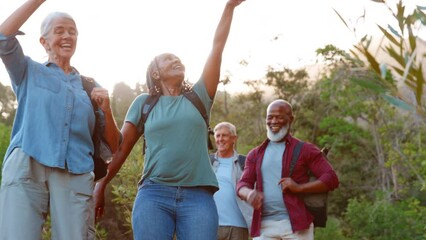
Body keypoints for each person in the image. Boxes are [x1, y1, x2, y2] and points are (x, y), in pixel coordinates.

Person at [93, 1, 246, 239]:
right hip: (154, 195)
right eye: (168, 59)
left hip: (198, 197)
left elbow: (217, 47)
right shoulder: (143, 103)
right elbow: (121, 148)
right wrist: (102, 183)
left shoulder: (199, 97)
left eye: (178, 59)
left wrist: (229, 7)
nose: (176, 61)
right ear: (155, 73)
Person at [0, 1, 121, 240]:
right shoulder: (28, 70)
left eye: (72, 31)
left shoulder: (90, 86)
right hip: (28, 163)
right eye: (59, 31)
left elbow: (115, 146)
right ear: (43, 42)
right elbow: (3, 37)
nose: (67, 36)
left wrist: (106, 110)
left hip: (75, 171)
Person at [237, 99, 339, 240]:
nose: (274, 121)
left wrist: (299, 188)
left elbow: (331, 178)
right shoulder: (255, 154)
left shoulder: (305, 150)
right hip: (264, 227)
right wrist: (248, 194)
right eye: (270, 117)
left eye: (279, 117)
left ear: (290, 119)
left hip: (297, 226)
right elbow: (242, 185)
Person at [209, 122, 253, 240]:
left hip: (238, 227)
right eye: (217, 136)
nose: (220, 139)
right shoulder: (208, 162)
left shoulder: (244, 162)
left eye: (225, 135)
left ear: (234, 138)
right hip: (211, 225)